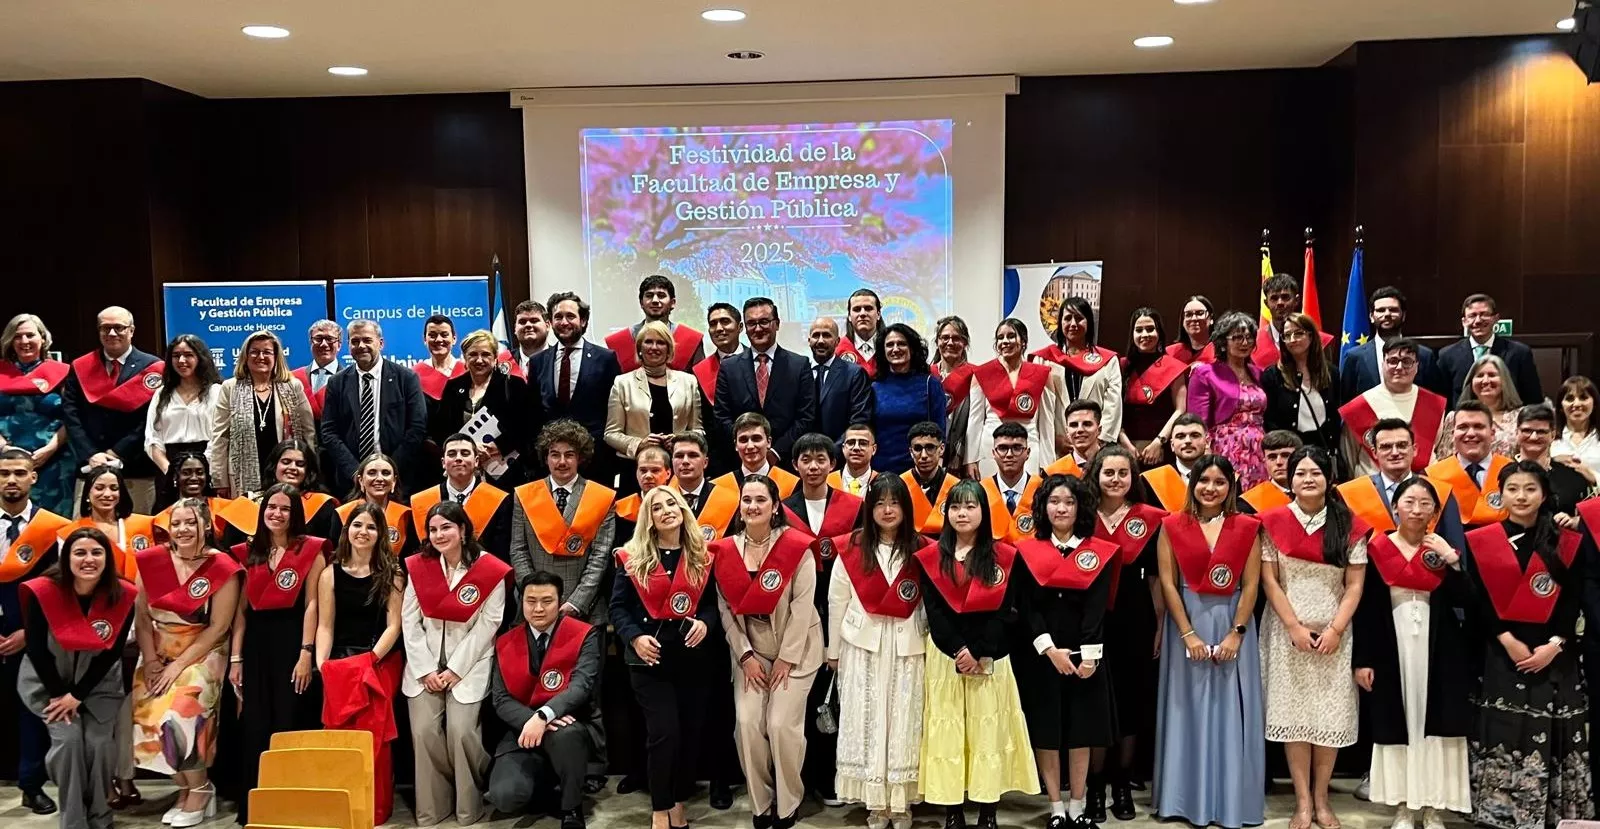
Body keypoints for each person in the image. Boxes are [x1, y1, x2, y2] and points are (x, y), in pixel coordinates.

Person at [1463, 462, 1591, 827]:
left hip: (1554, 654)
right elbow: (1479, 599)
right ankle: (1499, 813)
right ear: (1500, 494)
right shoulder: (1484, 538)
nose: (1521, 496)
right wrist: (1506, 639)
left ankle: (1548, 814)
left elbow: (1573, 597)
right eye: (1513, 488)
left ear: (1545, 494)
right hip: (1503, 650)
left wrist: (1556, 642)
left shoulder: (1565, 540)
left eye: (1530, 489)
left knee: (1552, 733)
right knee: (1503, 730)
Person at [1351, 477, 1473, 829]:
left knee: (1435, 725)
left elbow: (1469, 601)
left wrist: (1452, 561)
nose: (1417, 509)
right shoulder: (1378, 550)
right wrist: (1363, 660)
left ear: (1435, 512)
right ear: (1395, 508)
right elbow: (1367, 610)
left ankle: (1434, 806)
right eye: (1409, 502)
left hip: (1439, 651)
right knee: (1400, 722)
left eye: (1425, 503)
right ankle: (1405, 806)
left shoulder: (1442, 549)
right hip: (1393, 646)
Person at [916, 480, 1038, 829]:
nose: (962, 513)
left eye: (970, 506)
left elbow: (1009, 612)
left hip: (991, 658)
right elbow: (935, 612)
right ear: (946, 512)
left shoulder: (1004, 557)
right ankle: (953, 810)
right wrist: (959, 650)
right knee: (949, 732)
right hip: (946, 657)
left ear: (984, 512)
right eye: (956, 507)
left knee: (988, 734)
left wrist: (981, 651)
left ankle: (987, 810)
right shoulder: (930, 558)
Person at [1257, 447, 1369, 829]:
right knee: (1295, 716)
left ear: (1329, 479)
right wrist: (1293, 626)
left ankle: (1323, 799)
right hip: (1286, 632)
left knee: (1326, 717)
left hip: (1334, 634)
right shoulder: (1271, 522)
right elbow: (1269, 580)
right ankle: (1302, 801)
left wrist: (1335, 629)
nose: (1308, 479)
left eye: (1316, 473)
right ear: (1289, 480)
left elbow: (1354, 585)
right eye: (1300, 472)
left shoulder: (1349, 525)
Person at [1152, 454, 1265, 829]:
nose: (1211, 488)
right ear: (1193, 484)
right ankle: (1183, 799)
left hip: (1233, 623)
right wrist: (1187, 633)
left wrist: (1237, 632)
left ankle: (1231, 801)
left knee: (1230, 710)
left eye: (1219, 481)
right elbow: (1167, 583)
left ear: (1231, 486)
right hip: (1186, 623)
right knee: (1187, 707)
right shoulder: (1171, 526)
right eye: (1204, 481)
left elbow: (1251, 584)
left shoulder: (1247, 526)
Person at [711, 475, 823, 829]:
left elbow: (804, 608)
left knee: (780, 725)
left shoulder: (796, 547)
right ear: (739, 506)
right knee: (746, 724)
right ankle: (761, 803)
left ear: (776, 506)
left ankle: (788, 803)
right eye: (747, 500)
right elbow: (724, 610)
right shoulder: (725, 550)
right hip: (751, 653)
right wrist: (744, 655)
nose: (753, 506)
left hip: (797, 651)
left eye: (761, 500)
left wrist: (787, 660)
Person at [1012, 473, 1119, 829]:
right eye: (1054, 501)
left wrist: (1088, 655)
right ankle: (1056, 806)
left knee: (1081, 732)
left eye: (1069, 502)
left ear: (1080, 507)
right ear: (1043, 507)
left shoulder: (1095, 551)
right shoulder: (1028, 551)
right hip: (1042, 655)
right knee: (1048, 730)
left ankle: (1078, 804)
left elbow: (1096, 607)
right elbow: (1028, 607)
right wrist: (1049, 649)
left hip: (1085, 657)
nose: (1061, 508)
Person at [610, 486, 720, 829]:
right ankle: (660, 809)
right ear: (650, 519)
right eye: (658, 508)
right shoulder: (633, 556)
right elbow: (618, 608)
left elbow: (714, 605)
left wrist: (706, 622)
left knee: (689, 733)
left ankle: (678, 801)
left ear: (684, 509)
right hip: (649, 659)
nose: (667, 510)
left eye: (673, 503)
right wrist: (635, 637)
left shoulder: (702, 555)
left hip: (691, 658)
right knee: (664, 733)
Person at [131, 497, 243, 827]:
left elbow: (219, 627)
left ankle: (201, 788)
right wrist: (151, 661)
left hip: (200, 651)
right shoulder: (152, 561)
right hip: (157, 648)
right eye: (176, 523)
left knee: (180, 713)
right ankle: (185, 787)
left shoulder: (222, 566)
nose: (183, 529)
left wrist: (177, 667)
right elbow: (140, 617)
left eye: (191, 522)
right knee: (145, 716)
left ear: (206, 526)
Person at [826, 475, 928, 828]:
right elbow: (836, 599)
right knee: (867, 719)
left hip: (907, 646)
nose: (887, 510)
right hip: (862, 646)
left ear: (906, 508)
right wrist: (832, 651)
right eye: (880, 503)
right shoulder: (852, 547)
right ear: (869, 508)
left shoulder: (921, 548)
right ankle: (874, 803)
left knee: (903, 719)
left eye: (895, 503)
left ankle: (900, 802)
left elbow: (930, 603)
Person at [18, 527, 137, 829]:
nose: (88, 559)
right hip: (49, 683)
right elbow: (35, 648)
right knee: (69, 742)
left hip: (97, 684)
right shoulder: (44, 590)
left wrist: (78, 694)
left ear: (107, 558)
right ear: (66, 557)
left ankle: (101, 816)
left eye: (97, 552)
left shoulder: (121, 594)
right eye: (80, 552)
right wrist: (61, 695)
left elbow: (111, 654)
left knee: (99, 745)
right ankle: (73, 820)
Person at [403, 501, 511, 827]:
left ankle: (468, 804)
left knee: (461, 732)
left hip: (470, 664)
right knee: (423, 733)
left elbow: (489, 625)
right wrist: (425, 670)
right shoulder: (419, 567)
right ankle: (433, 808)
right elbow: (409, 621)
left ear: (463, 530)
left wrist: (455, 670)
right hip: (424, 668)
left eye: (446, 527)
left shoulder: (490, 569)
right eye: (433, 529)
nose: (439, 534)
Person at [226, 484, 326, 824]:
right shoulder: (246, 552)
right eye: (271, 507)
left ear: (294, 514)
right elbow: (240, 612)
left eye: (285, 508)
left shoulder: (311, 550)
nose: (277, 514)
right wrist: (236, 659)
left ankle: (293, 806)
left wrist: (306, 653)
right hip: (255, 648)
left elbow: (313, 603)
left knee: (290, 722)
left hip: (293, 645)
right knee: (255, 726)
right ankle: (256, 808)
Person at [781, 432, 864, 807]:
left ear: (833, 465)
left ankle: (833, 777)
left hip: (843, 611)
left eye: (821, 460)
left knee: (837, 699)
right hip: (797, 612)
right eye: (805, 459)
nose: (813, 467)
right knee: (804, 700)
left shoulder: (854, 506)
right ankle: (802, 778)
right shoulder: (783, 508)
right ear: (795, 465)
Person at [1084, 447, 1167, 820]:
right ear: (1096, 476)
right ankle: (1095, 788)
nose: (1115, 480)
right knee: (1097, 705)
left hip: (1136, 617)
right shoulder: (1083, 517)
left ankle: (1123, 785)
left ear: (1134, 478)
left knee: (1131, 703)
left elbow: (1155, 578)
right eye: (1108, 473)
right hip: (1093, 620)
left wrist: (1160, 624)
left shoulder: (1149, 520)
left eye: (1123, 473)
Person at [489, 571, 603, 829]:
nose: (538, 608)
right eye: (531, 601)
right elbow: (501, 699)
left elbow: (581, 686)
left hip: (570, 725)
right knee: (504, 797)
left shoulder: (584, 634)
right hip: (523, 731)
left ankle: (571, 807)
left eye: (547, 601)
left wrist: (545, 715)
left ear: (559, 601)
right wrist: (533, 720)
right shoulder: (506, 641)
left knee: (565, 734)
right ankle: (555, 785)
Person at [315, 501, 406, 825]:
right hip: (340, 662)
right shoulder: (330, 574)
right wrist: (322, 664)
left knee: (373, 741)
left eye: (370, 526)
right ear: (347, 530)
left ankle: (374, 809)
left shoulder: (392, 574)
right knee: (340, 737)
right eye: (357, 525)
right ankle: (344, 805)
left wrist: (369, 661)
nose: (363, 532)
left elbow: (395, 625)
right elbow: (325, 625)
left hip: (378, 661)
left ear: (380, 533)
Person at [0, 447, 71, 815]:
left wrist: (29, 633)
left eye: (18, 473)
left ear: (34, 477)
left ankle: (31, 785)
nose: (11, 480)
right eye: (4, 473)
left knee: (33, 710)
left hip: (33, 632)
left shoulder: (52, 528)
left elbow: (61, 586)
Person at [509, 420, 618, 633]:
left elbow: (599, 559)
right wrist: (536, 598)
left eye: (569, 454)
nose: (562, 461)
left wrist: (575, 602)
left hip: (585, 611)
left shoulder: (601, 497)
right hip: (534, 610)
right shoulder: (524, 496)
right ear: (545, 457)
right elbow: (518, 551)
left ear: (580, 458)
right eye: (554, 454)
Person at [61, 306, 164, 514]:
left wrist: (117, 452)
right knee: (88, 535)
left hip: (135, 468)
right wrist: (91, 454)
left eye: (119, 327)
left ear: (131, 331)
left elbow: (151, 419)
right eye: (105, 328)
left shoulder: (154, 367)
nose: (111, 334)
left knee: (137, 538)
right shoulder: (81, 366)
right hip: (91, 467)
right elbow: (71, 414)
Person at [319, 319, 430, 494]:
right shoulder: (336, 382)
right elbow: (329, 432)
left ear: (381, 343)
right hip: (350, 482)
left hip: (398, 480)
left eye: (367, 340)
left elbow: (417, 427)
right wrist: (356, 473)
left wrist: (388, 471)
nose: (361, 345)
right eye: (355, 341)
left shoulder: (406, 378)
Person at [208, 330, 316, 499]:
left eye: (267, 352)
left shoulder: (292, 386)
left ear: (276, 356)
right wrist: (219, 480)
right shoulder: (230, 388)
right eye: (254, 352)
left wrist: (311, 472)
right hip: (241, 477)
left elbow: (308, 432)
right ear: (245, 356)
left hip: (286, 473)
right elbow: (220, 438)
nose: (261, 356)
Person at [530, 293, 624, 486]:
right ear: (550, 322)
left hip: (595, 461)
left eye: (570, 316)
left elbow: (613, 411)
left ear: (583, 320)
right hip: (551, 461)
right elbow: (534, 411)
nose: (564, 322)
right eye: (558, 317)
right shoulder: (538, 361)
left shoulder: (605, 359)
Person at [714, 297, 819, 469]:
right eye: (751, 323)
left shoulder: (799, 365)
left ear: (776, 324)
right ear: (744, 328)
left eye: (764, 322)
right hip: (741, 462)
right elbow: (722, 416)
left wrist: (775, 452)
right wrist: (746, 447)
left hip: (786, 462)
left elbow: (806, 417)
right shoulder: (729, 367)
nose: (758, 329)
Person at [1337, 420, 1467, 552]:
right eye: (1386, 447)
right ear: (1374, 452)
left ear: (1415, 450)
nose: (1394, 452)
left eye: (1402, 445)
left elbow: (1456, 552)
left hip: (1428, 569)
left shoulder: (1441, 492)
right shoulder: (1352, 493)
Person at [431, 329, 539, 488]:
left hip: (503, 472)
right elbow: (440, 429)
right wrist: (465, 449)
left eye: (486, 354)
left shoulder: (513, 385)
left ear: (495, 358)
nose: (479, 360)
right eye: (473, 354)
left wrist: (498, 446)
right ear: (465, 359)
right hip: (462, 472)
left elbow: (528, 428)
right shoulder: (453, 387)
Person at [605, 321, 702, 495]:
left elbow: (699, 431)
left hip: (678, 470)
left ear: (669, 349)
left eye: (661, 342)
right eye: (648, 342)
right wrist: (639, 444)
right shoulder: (622, 383)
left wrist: (679, 441)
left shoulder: (688, 382)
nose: (654, 347)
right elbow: (610, 434)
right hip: (636, 471)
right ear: (639, 348)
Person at [965, 318, 1067, 479]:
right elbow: (975, 420)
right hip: (991, 448)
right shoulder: (982, 373)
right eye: (1000, 337)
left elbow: (1047, 423)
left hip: (1029, 447)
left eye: (1011, 336)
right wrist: (971, 459)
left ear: (1024, 341)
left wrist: (1047, 464)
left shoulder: (1042, 375)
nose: (1005, 341)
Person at [0, 314, 76, 516]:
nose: (24, 342)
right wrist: (5, 448)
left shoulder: (64, 373)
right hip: (5, 463)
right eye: (18, 336)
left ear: (43, 338)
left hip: (54, 461)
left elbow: (74, 418)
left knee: (51, 524)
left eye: (30, 335)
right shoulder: (1, 371)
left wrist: (50, 449)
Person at [1340, 338, 1448, 478]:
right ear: (1382, 364)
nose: (1399, 367)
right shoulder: (1358, 406)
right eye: (1393, 361)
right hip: (1372, 492)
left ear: (1417, 366)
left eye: (1407, 362)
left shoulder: (1434, 404)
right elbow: (1349, 457)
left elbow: (1440, 451)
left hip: (1421, 491)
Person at [1187, 311, 1268, 491]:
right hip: (1225, 448)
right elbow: (1198, 421)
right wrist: (1206, 456)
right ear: (1223, 343)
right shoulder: (1205, 373)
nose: (1245, 342)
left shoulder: (1258, 373)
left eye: (1249, 337)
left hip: (1259, 450)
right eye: (1238, 337)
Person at [144, 334, 223, 510]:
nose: (181, 360)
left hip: (206, 466)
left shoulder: (216, 392)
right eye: (176, 355)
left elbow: (220, 436)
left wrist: (202, 468)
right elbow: (152, 438)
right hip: (169, 465)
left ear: (200, 358)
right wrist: (171, 471)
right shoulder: (162, 393)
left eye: (188, 355)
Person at [1033, 297, 1124, 444]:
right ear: (1060, 323)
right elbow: (1039, 407)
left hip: (1095, 448)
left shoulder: (1108, 360)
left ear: (1088, 322)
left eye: (1079, 318)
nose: (1073, 324)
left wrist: (1099, 442)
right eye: (1067, 318)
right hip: (1056, 446)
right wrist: (1053, 439)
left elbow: (1113, 405)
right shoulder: (1045, 360)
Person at [217, 438, 340, 545]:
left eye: (300, 464)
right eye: (286, 462)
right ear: (274, 466)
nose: (292, 468)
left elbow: (328, 548)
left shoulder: (322, 506)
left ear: (308, 470)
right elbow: (230, 547)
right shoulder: (248, 501)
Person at [413, 432, 514, 560]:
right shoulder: (421, 501)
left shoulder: (500, 499)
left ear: (476, 461)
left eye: (465, 453)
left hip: (483, 573)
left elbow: (501, 551)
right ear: (443, 463)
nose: (458, 458)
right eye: (452, 454)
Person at [1262, 313, 1343, 465]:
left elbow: (1335, 415)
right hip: (1290, 455)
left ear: (1311, 336)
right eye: (1287, 335)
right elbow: (1270, 421)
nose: (1292, 340)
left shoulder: (1331, 373)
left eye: (1298, 333)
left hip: (1324, 451)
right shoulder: (1273, 376)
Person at [1438, 294, 1542, 407]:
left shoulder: (1519, 353)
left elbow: (1533, 400)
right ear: (1464, 321)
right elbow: (1442, 402)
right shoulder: (1447, 356)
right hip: (1465, 421)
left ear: (1496, 318)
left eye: (1484, 314)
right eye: (1472, 316)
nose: (1478, 320)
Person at [1337, 287, 1442, 401]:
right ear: (1371, 317)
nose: (1387, 314)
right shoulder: (1354, 357)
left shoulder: (1424, 355)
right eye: (1381, 310)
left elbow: (1434, 399)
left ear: (1403, 316)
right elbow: (1346, 403)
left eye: (1393, 310)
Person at [1118, 308, 1189, 468]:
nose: (1145, 335)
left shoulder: (1174, 367)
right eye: (1139, 330)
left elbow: (1180, 409)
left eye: (1150, 329)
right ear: (1132, 334)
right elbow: (1114, 409)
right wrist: (1125, 443)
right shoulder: (1121, 366)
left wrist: (1159, 442)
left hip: (1161, 448)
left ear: (1159, 333)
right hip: (1126, 448)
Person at [1425, 401, 1514, 527]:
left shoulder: (1513, 471)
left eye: (1478, 426)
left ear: (1492, 434)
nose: (1471, 433)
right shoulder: (1431, 477)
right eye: (1463, 427)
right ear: (1452, 434)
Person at [872, 324, 946, 475]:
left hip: (920, 469)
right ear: (883, 351)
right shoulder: (874, 387)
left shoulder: (930, 384)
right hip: (881, 470)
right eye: (890, 345)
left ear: (912, 348)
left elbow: (940, 431)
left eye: (901, 344)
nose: (895, 349)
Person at [64, 464, 155, 579]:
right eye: (99, 488)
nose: (107, 494)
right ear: (87, 493)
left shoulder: (143, 526)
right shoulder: (69, 532)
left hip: (134, 594)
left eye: (114, 488)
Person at [604, 275, 707, 373]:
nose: (655, 300)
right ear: (641, 303)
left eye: (661, 296)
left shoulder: (692, 340)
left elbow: (699, 385)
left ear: (673, 303)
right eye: (649, 296)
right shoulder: (619, 342)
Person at [1514, 403, 1595, 521]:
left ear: (1552, 435)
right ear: (1517, 433)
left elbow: (1591, 517)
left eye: (1541, 432)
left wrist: (1575, 521)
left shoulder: (1573, 476)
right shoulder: (1500, 472)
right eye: (1527, 431)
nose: (1533, 437)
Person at [1435, 355, 1523, 460]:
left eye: (1492, 375)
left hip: (1506, 475)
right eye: (1480, 375)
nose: (1485, 381)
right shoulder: (1454, 418)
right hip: (1461, 475)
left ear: (1504, 380)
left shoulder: (1520, 416)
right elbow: (1444, 458)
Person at [693, 302, 746, 477]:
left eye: (725, 321)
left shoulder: (759, 363)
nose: (719, 328)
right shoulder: (699, 370)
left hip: (758, 453)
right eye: (713, 324)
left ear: (740, 327)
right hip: (719, 462)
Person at [804, 317, 875, 445]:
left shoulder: (854, 374)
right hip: (804, 456)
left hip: (840, 455)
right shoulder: (800, 371)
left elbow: (858, 420)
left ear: (837, 341)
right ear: (809, 341)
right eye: (816, 335)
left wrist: (832, 452)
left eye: (826, 335)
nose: (820, 341)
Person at [335, 453, 417, 553]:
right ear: (361, 480)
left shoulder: (406, 515)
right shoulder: (343, 513)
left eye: (386, 473)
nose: (379, 478)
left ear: (394, 481)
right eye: (372, 473)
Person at [1252, 274, 1335, 372]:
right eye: (1274, 298)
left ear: (1296, 300)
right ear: (1266, 303)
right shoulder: (1253, 342)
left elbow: (1326, 379)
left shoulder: (1320, 341)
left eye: (1285, 297)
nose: (1280, 303)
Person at [668, 432, 739, 542]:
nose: (685, 461)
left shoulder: (730, 500)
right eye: (679, 456)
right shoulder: (661, 499)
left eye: (692, 455)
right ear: (672, 462)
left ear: (705, 462)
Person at [715, 413, 801, 498]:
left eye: (756, 439)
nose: (750, 446)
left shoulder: (791, 484)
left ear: (769, 442)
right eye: (743, 440)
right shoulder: (718, 487)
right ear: (736, 445)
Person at [981, 423, 1042, 542]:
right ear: (993, 453)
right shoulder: (981, 491)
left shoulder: (1042, 489)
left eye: (1017, 448)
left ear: (1028, 453)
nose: (1009, 455)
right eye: (1003, 448)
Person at [1140, 414, 1210, 513]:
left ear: (1207, 442)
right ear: (1172, 445)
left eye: (1195, 435)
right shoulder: (1149, 481)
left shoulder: (1226, 479)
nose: (1188, 441)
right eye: (1180, 436)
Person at [932, 316, 975, 474]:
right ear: (937, 342)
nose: (950, 343)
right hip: (930, 455)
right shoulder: (927, 375)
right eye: (945, 338)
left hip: (963, 454)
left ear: (965, 343)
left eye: (956, 338)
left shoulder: (975, 375)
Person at [903, 422, 958, 537]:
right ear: (911, 452)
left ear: (941, 449)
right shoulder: (901, 484)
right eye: (917, 448)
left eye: (930, 447)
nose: (924, 455)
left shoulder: (955, 487)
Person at [291, 319, 342, 420]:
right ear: (311, 343)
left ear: (339, 345)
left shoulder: (349, 379)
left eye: (329, 339)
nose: (324, 344)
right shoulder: (293, 378)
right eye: (318, 339)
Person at [1552, 376, 1600, 480]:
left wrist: (1594, 478)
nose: (1577, 404)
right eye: (1570, 399)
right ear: (1560, 406)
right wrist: (1552, 461)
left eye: (1583, 398)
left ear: (1595, 403)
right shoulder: (1549, 438)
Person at [1241, 431, 1301, 513]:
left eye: (1286, 455)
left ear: (1300, 459)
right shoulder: (1247, 504)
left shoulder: (1316, 495)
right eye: (1272, 457)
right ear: (1265, 462)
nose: (1279, 462)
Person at [1046, 400, 1110, 477]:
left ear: (1099, 430)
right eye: (1074, 425)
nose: (1080, 430)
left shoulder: (1114, 465)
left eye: (1087, 424)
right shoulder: (1053, 472)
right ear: (1067, 431)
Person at [415, 314, 467, 403]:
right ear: (424, 340)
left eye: (444, 335)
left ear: (454, 339)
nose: (438, 340)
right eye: (432, 335)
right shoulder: (415, 374)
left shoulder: (466, 371)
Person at [836, 288, 887, 378]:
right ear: (849, 316)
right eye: (857, 309)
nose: (863, 313)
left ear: (878, 314)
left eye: (868, 308)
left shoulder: (890, 347)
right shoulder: (838, 349)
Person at [1164, 296, 1216, 365]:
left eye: (1200, 313)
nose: (1194, 318)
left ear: (1211, 318)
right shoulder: (1170, 353)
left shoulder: (1220, 352)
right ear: (1183, 321)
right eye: (1188, 314)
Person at [506, 300, 551, 377]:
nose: (528, 325)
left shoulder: (560, 360)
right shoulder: (504, 361)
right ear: (515, 329)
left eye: (534, 321)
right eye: (522, 322)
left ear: (547, 326)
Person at [832, 423, 878, 495]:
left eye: (863, 443)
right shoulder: (828, 482)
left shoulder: (882, 483)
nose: (856, 448)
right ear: (843, 448)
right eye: (850, 443)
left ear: (874, 449)